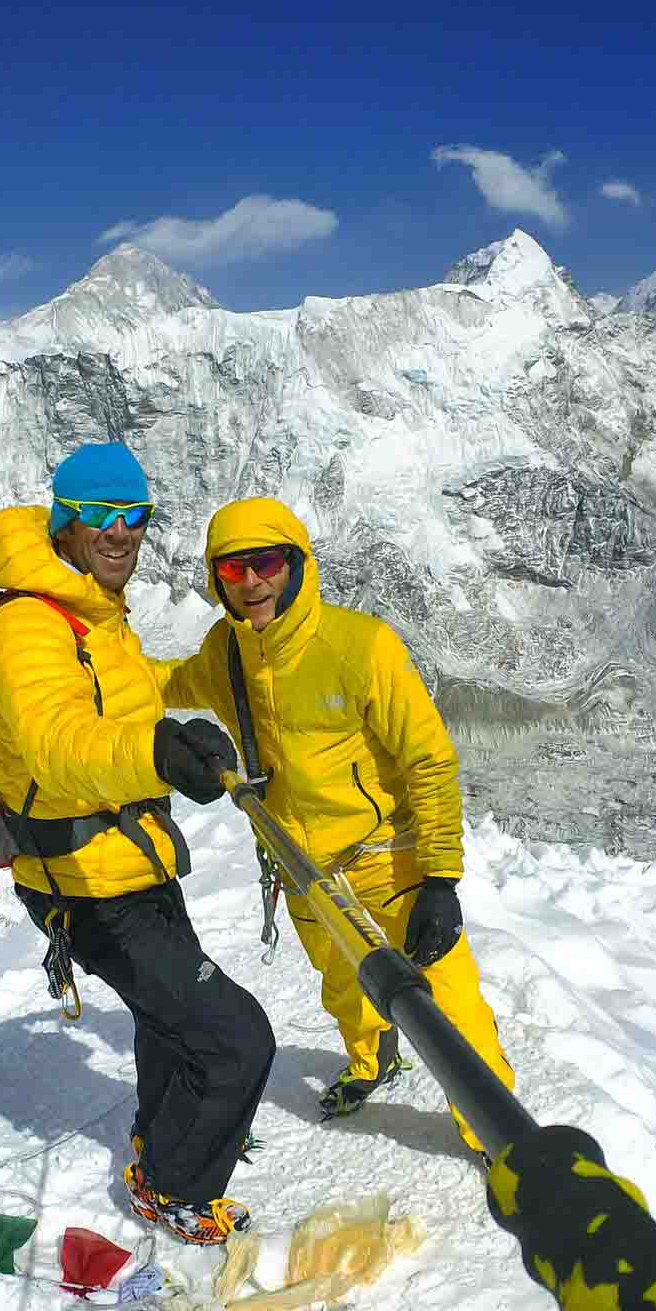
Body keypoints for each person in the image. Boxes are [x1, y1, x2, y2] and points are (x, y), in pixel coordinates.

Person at [0, 442, 274, 1246]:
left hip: (130, 860)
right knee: (238, 1037)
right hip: (84, 883)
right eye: (102, 515)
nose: (121, 531)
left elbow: (127, 697)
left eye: (135, 515)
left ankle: (159, 1146)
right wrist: (158, 753)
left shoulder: (96, 617)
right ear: (65, 522)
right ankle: (176, 1187)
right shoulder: (28, 626)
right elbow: (60, 746)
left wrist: (199, 693)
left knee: (168, 1019)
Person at [155, 495, 516, 1161]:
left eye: (267, 564)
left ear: (296, 565)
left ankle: (504, 1143)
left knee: (450, 1006)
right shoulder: (225, 652)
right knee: (343, 984)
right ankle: (369, 1058)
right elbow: (169, 685)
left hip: (389, 861)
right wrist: (92, 682)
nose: (253, 583)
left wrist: (439, 878)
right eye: (234, 572)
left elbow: (428, 761)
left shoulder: (361, 646)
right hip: (301, 869)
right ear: (217, 581)